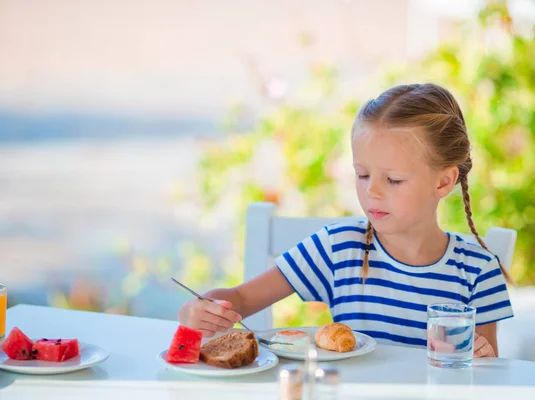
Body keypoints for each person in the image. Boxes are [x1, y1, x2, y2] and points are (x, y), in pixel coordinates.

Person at [178, 83, 514, 357]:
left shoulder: (478, 270)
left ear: (443, 181)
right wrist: (203, 311)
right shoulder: (339, 248)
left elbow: (488, 373)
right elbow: (242, 299)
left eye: (393, 180)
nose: (372, 192)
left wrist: (480, 359)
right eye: (363, 174)